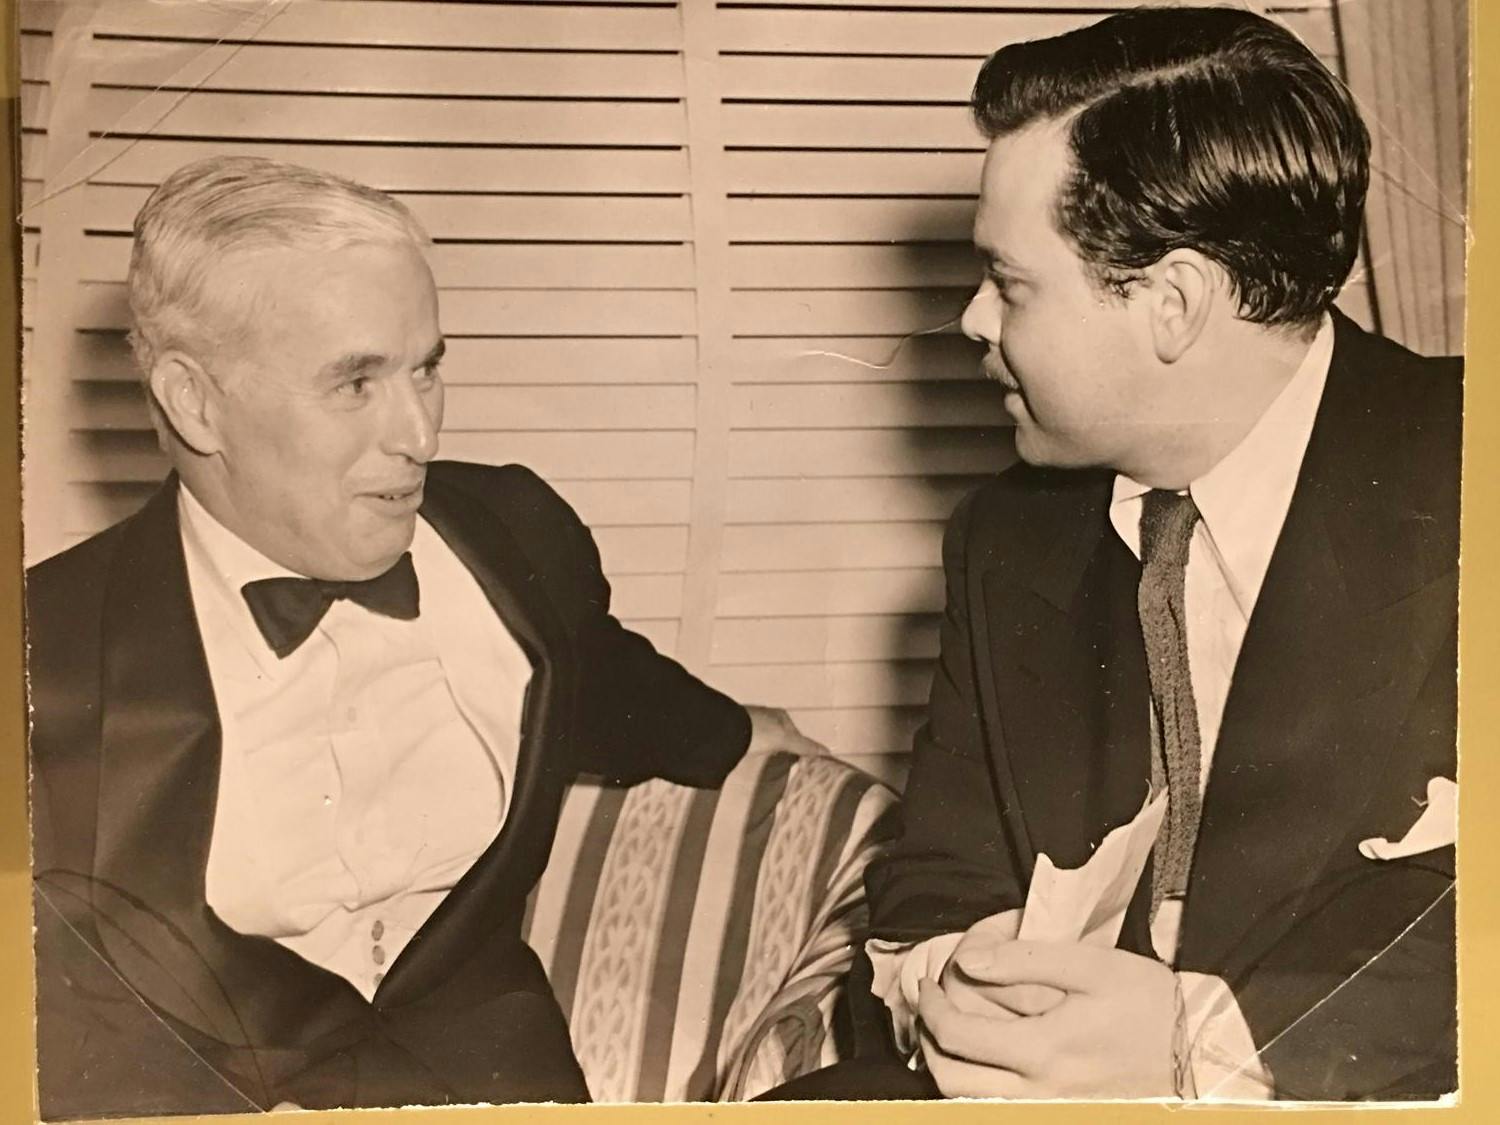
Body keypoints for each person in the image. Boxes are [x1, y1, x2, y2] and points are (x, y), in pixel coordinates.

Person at [26, 155, 821, 1117]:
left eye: (428, 368)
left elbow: (603, 677)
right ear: (195, 401)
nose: (420, 435)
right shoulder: (47, 652)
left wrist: (737, 733)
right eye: (355, 383)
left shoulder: (515, 535)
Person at [769, 5, 1459, 1103]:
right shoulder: (1004, 542)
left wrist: (1198, 1046)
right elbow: (927, 890)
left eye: (1011, 281)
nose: (970, 320)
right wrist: (974, 994)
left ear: (1172, 304)